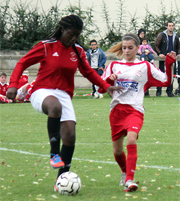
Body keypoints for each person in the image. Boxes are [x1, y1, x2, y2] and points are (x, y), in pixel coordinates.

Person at [6, 14, 123, 191]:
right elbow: (22, 62)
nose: (74, 38)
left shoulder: (78, 50)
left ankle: (61, 180)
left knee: (69, 136)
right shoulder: (46, 46)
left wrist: (106, 86)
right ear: (62, 30)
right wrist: (13, 85)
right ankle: (54, 153)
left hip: (64, 95)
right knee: (54, 107)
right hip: (42, 91)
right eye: (71, 34)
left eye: (77, 35)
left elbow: (88, 72)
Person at [99, 33, 176, 192]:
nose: (126, 51)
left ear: (137, 48)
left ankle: (130, 180)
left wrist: (168, 64)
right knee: (117, 151)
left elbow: (166, 81)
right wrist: (109, 80)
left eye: (130, 48)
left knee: (132, 140)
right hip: (117, 111)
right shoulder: (114, 66)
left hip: (134, 110)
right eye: (124, 48)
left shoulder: (145, 66)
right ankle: (124, 171)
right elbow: (101, 88)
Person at [155, 21, 180, 97]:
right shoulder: (161, 35)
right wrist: (160, 53)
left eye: (172, 26)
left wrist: (178, 53)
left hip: (172, 58)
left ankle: (169, 91)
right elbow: (156, 45)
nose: (171, 27)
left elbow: (178, 47)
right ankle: (158, 91)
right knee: (161, 74)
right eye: (169, 25)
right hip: (164, 58)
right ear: (167, 26)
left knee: (171, 75)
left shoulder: (175, 36)